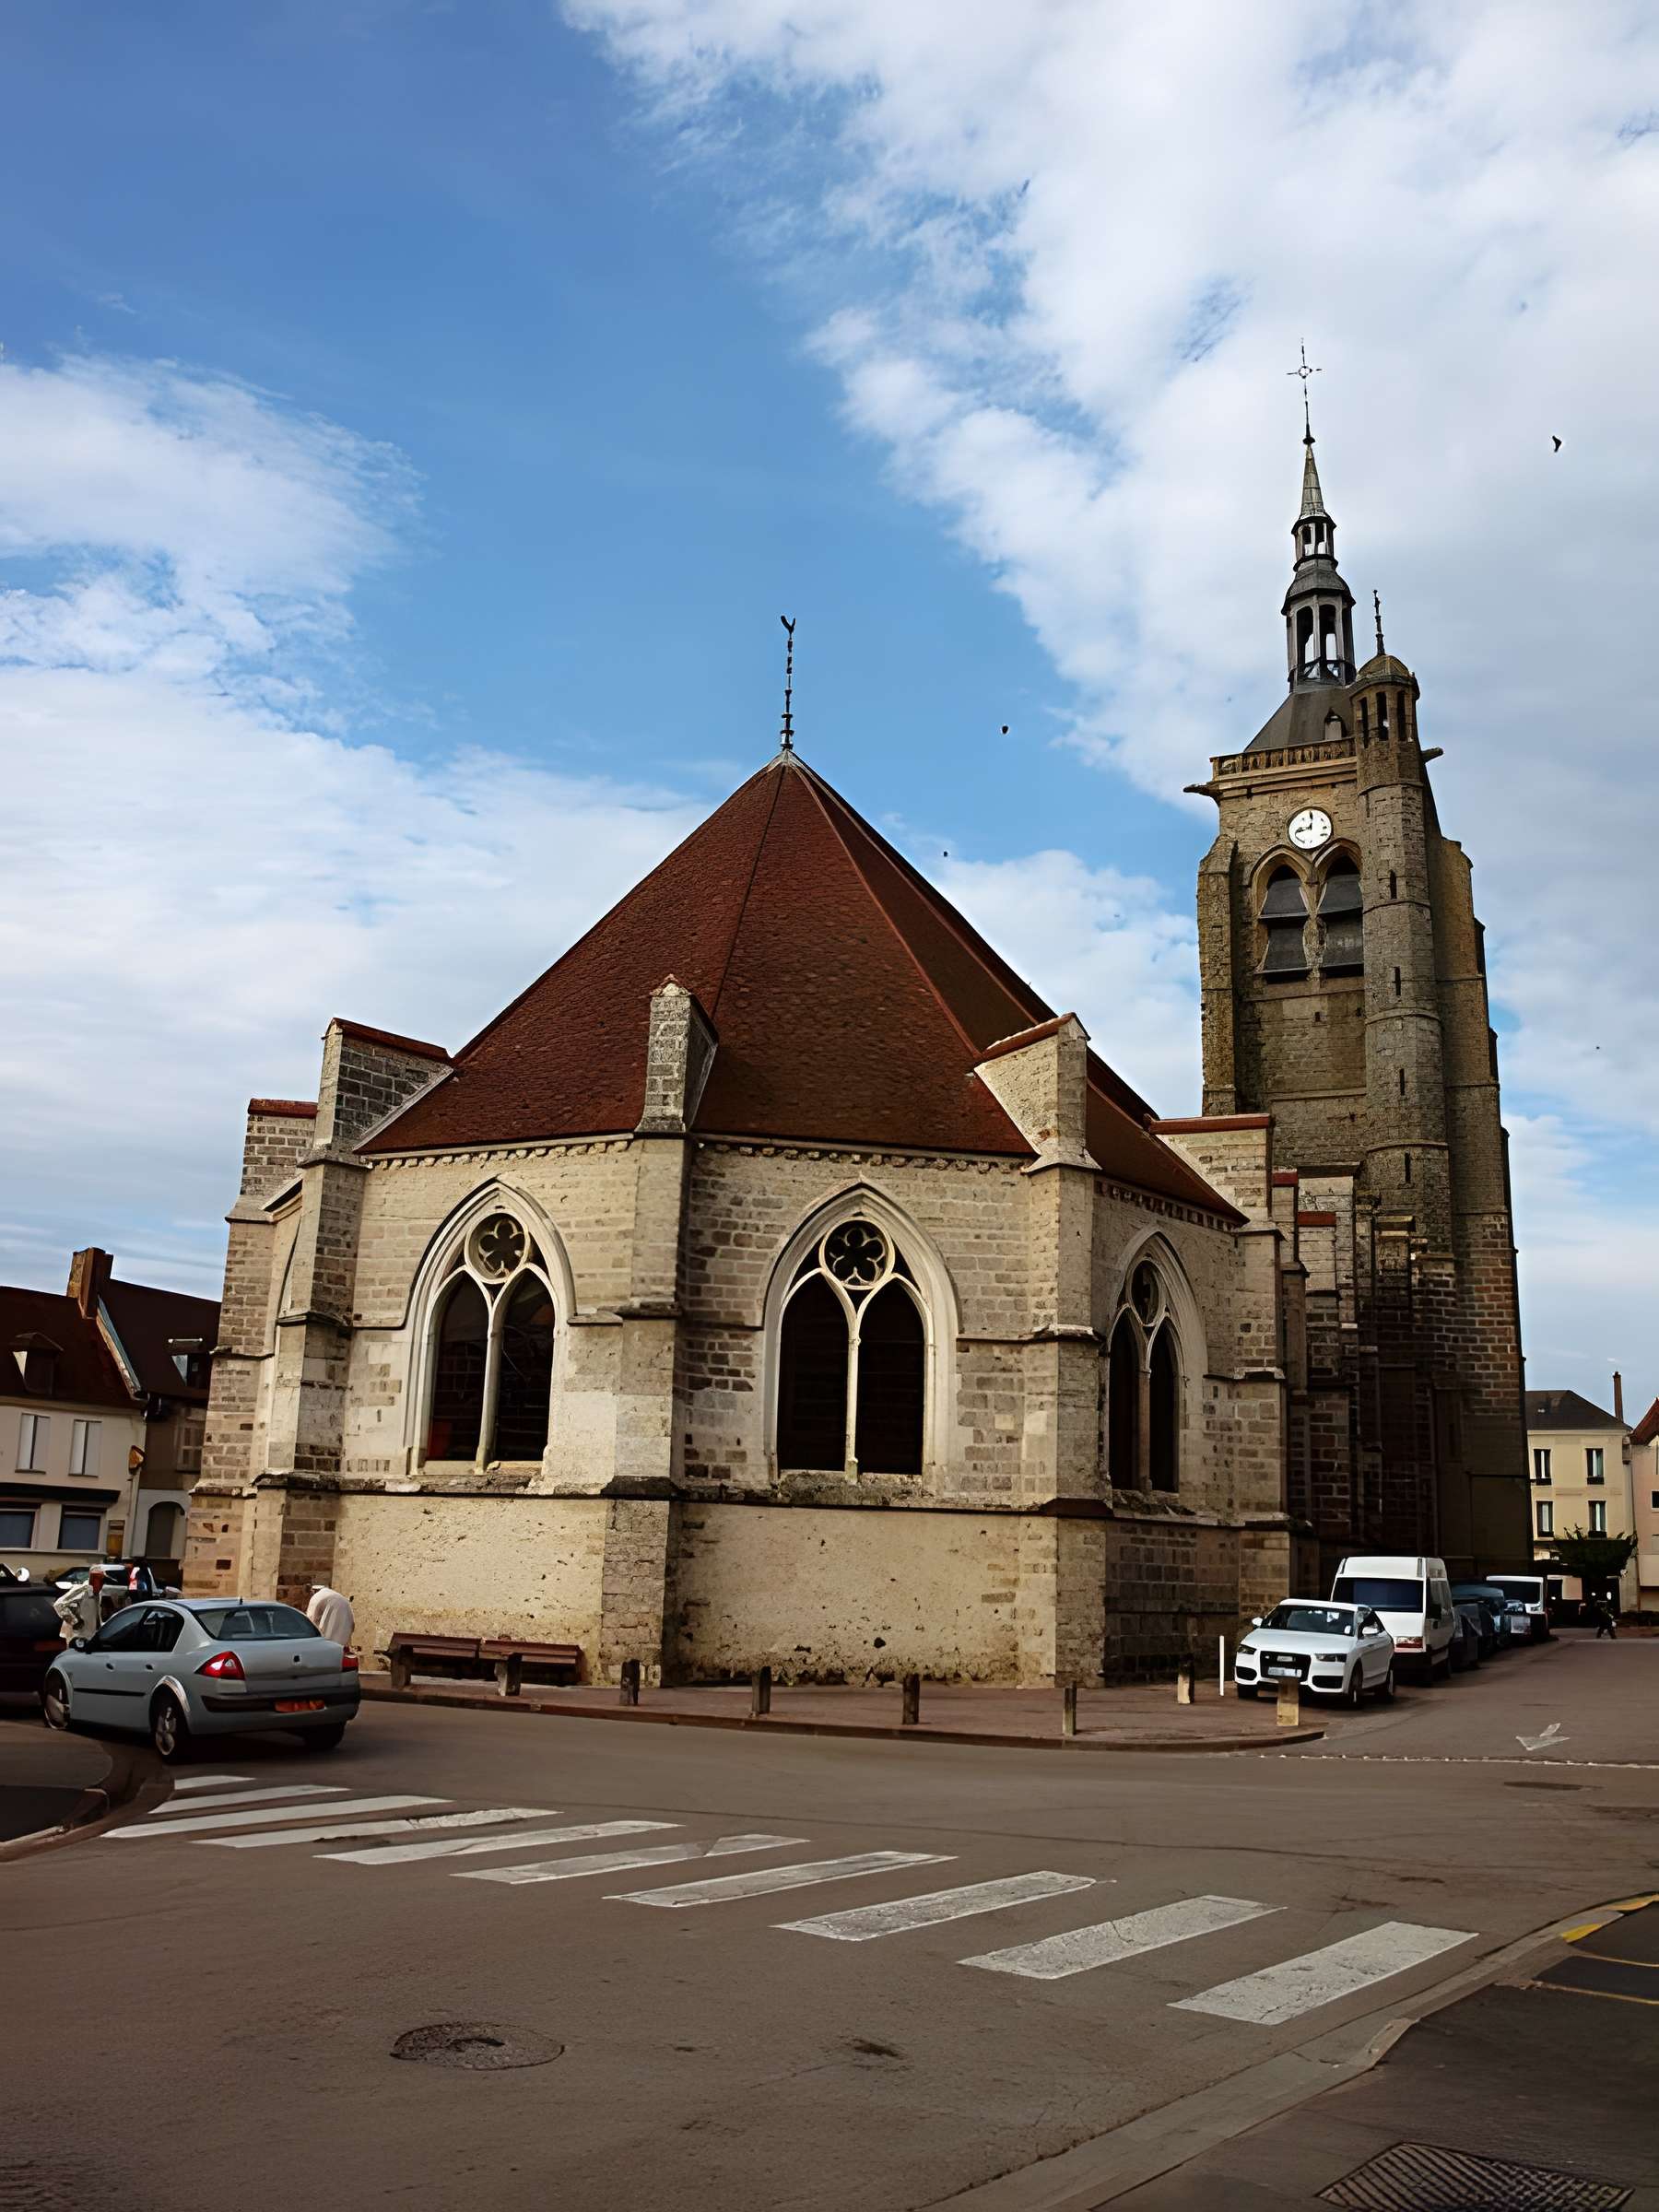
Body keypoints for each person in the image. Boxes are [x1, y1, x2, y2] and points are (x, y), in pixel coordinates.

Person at [53, 1566, 103, 1644]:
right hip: (76, 1635)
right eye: (96, 1577)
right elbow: (59, 1604)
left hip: (91, 1635)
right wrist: (74, 1621)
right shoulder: (82, 1590)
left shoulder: (101, 1592)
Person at [306, 1583, 354, 1647]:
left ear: (313, 1591)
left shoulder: (316, 1597)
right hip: (346, 1612)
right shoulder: (335, 1594)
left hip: (333, 1616)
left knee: (327, 1640)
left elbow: (310, 1620)